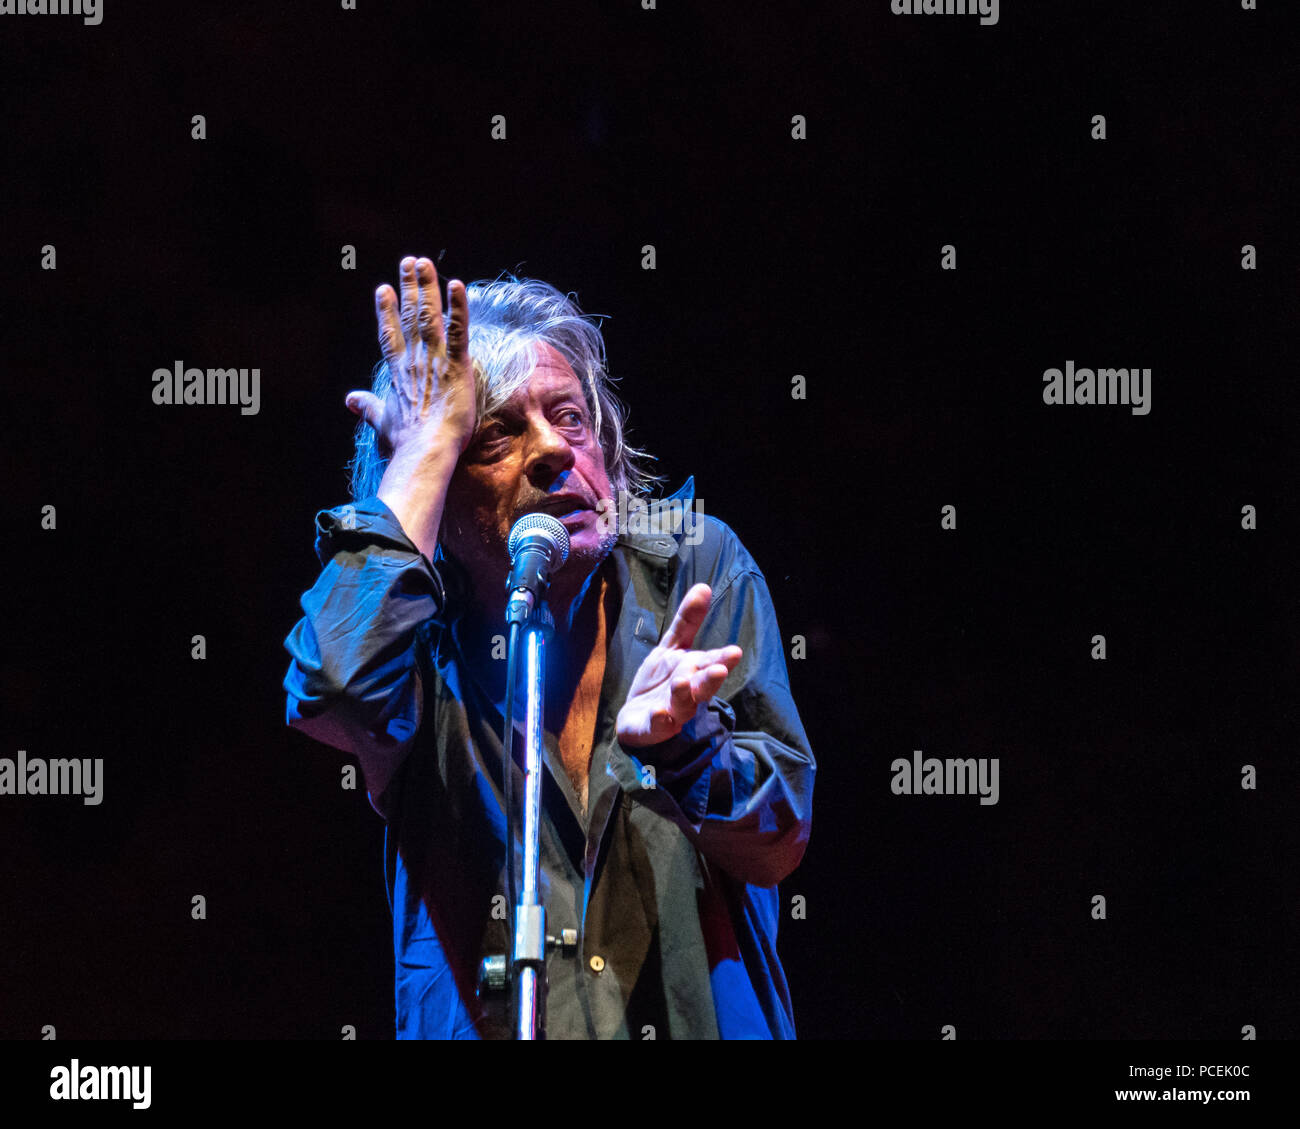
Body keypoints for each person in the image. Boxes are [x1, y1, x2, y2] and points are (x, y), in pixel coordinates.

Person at [282, 255, 816, 1039]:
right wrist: (425, 447)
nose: (555, 450)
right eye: (496, 434)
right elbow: (334, 689)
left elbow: (781, 840)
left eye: (570, 417)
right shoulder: (416, 641)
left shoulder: (693, 567)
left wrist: (688, 749)